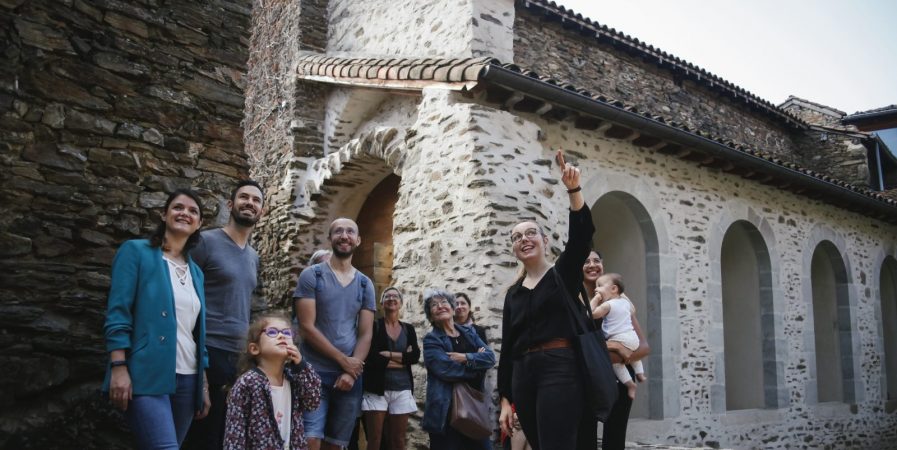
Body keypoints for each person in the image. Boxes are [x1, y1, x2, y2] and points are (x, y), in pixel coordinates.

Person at [497, 150, 596, 450]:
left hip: (560, 369)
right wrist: (505, 401)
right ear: (514, 249)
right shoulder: (513, 293)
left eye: (531, 233)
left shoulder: (561, 275)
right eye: (517, 237)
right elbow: (508, 348)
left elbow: (581, 238)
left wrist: (574, 190)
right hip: (523, 374)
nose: (524, 239)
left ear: (545, 241)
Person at [103, 188, 211, 449]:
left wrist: (203, 383)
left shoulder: (196, 272)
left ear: (199, 224)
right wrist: (118, 367)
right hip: (145, 373)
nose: (185, 213)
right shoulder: (136, 252)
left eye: (193, 211)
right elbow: (118, 312)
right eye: (178, 207)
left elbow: (196, 331)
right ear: (164, 214)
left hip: (188, 379)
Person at [186, 180, 265, 450]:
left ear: (261, 212)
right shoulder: (205, 242)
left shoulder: (254, 256)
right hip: (208, 350)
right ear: (231, 205)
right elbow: (185, 297)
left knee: (227, 434)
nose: (249, 203)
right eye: (244, 197)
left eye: (256, 200)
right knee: (202, 433)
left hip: (239, 357)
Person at [294, 218, 376, 450]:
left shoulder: (364, 284)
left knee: (336, 444)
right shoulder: (312, 276)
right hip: (313, 371)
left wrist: (351, 371)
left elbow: (366, 333)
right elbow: (306, 327)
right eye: (338, 231)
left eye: (350, 231)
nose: (344, 235)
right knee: (310, 439)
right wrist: (344, 361)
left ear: (358, 240)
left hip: (349, 377)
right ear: (330, 239)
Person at [580, 250, 650, 450]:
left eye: (596, 260)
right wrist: (614, 347)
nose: (592, 264)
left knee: (615, 437)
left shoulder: (621, 301)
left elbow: (643, 347)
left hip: (620, 375)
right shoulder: (574, 299)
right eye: (586, 261)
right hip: (587, 377)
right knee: (584, 436)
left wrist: (620, 350)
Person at [224, 314, 322, 450]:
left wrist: (301, 366)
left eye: (287, 333)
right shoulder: (247, 383)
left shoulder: (295, 379)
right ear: (254, 348)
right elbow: (235, 434)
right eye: (272, 332)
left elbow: (313, 401)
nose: (281, 336)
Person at [422, 289, 495, 450]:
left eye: (444, 302)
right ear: (431, 316)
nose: (440, 306)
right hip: (445, 413)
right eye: (434, 305)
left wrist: (465, 358)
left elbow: (490, 358)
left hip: (474, 408)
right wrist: (477, 365)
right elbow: (446, 370)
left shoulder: (469, 332)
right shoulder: (431, 340)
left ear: (452, 307)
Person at [362, 287, 420, 450]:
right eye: (387, 296)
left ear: (401, 303)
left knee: (398, 440)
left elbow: (414, 356)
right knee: (375, 440)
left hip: (402, 388)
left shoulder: (409, 329)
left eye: (395, 296)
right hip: (376, 389)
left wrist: (387, 354)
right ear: (382, 303)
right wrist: (402, 359)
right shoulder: (375, 327)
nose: (391, 298)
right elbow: (372, 358)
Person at [589, 273, 646, 400]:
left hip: (620, 339)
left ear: (614, 289)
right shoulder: (625, 303)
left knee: (616, 364)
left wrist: (596, 299)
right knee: (632, 353)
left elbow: (591, 314)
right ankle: (640, 373)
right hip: (632, 338)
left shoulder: (607, 305)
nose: (596, 289)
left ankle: (630, 385)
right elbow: (631, 311)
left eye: (599, 286)